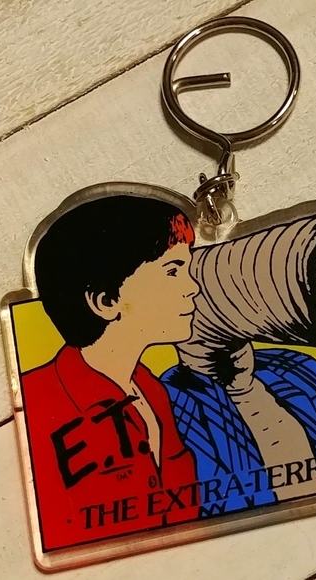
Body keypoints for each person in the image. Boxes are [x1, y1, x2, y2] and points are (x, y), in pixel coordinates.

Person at [20, 195, 201, 551]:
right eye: (172, 271)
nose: (192, 287)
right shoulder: (36, 402)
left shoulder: (152, 390)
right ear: (105, 301)